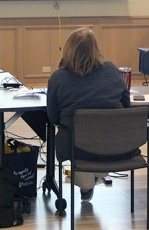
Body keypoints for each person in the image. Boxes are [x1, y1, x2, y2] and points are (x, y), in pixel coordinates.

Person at [47, 27, 130, 202]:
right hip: (113, 146)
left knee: (80, 154)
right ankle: (89, 182)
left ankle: (86, 184)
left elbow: (54, 118)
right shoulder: (111, 70)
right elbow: (126, 107)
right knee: (94, 154)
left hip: (75, 148)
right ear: (96, 49)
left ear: (68, 49)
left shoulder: (58, 78)